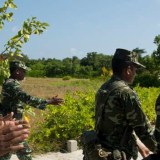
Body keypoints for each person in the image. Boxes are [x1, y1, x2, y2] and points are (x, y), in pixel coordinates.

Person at [93, 49, 158, 160]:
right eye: (135, 70)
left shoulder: (104, 88)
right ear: (128, 70)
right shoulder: (126, 93)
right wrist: (157, 148)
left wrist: (139, 144)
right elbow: (143, 130)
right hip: (117, 155)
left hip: (101, 153)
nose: (135, 74)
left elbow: (117, 125)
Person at [0, 61, 65, 160]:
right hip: (11, 124)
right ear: (17, 71)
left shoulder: (10, 82)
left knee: (6, 151)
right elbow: (27, 98)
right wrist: (48, 101)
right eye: (23, 71)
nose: (25, 73)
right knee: (23, 151)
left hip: (11, 124)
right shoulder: (12, 84)